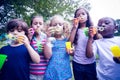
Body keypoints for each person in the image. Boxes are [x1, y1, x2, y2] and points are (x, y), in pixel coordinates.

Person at [69, 7, 97, 80]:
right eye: (78, 15)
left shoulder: (92, 30)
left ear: (87, 17)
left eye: (83, 14)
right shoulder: (74, 30)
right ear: (75, 18)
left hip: (91, 63)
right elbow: (69, 44)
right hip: (77, 63)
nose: (80, 16)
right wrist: (75, 27)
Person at [43, 15, 72, 80]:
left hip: (65, 73)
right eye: (55, 25)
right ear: (50, 27)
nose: (57, 26)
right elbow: (47, 56)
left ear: (64, 27)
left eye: (60, 24)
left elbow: (71, 52)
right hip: (52, 74)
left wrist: (72, 50)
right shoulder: (49, 40)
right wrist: (48, 38)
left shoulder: (67, 41)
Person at [28, 15, 52, 80]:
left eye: (40, 24)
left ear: (43, 26)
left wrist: (48, 40)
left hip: (45, 72)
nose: (38, 25)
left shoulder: (46, 37)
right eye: (35, 23)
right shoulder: (29, 37)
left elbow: (49, 56)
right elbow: (26, 53)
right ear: (31, 26)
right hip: (32, 72)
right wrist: (29, 39)